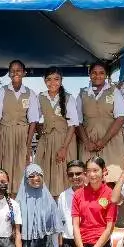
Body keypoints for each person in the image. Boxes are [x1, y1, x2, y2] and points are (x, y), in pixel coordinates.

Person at [28, 67, 79, 198]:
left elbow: (72, 125)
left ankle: (66, 207)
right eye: (49, 79)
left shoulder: (68, 98)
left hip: (64, 140)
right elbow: (34, 119)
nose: (52, 83)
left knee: (63, 174)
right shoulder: (41, 97)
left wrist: (64, 148)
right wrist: (42, 133)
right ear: (44, 81)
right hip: (47, 140)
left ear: (61, 81)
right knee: (45, 172)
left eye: (56, 79)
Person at [0, 60, 36, 193]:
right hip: (5, 134)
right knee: (4, 166)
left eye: (18, 70)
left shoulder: (30, 93)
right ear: (9, 74)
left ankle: (17, 201)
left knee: (20, 168)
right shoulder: (2, 92)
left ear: (24, 73)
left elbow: (33, 121)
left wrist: (27, 145)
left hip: (22, 136)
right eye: (12, 71)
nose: (15, 73)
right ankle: (2, 197)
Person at [77, 62, 124, 172]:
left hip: (111, 139)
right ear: (89, 74)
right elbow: (78, 121)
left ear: (106, 75)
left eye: (101, 73)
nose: (97, 76)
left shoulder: (114, 91)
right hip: (89, 142)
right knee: (90, 175)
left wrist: (104, 140)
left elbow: (120, 118)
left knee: (112, 175)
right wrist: (86, 142)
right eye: (94, 73)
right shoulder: (83, 93)